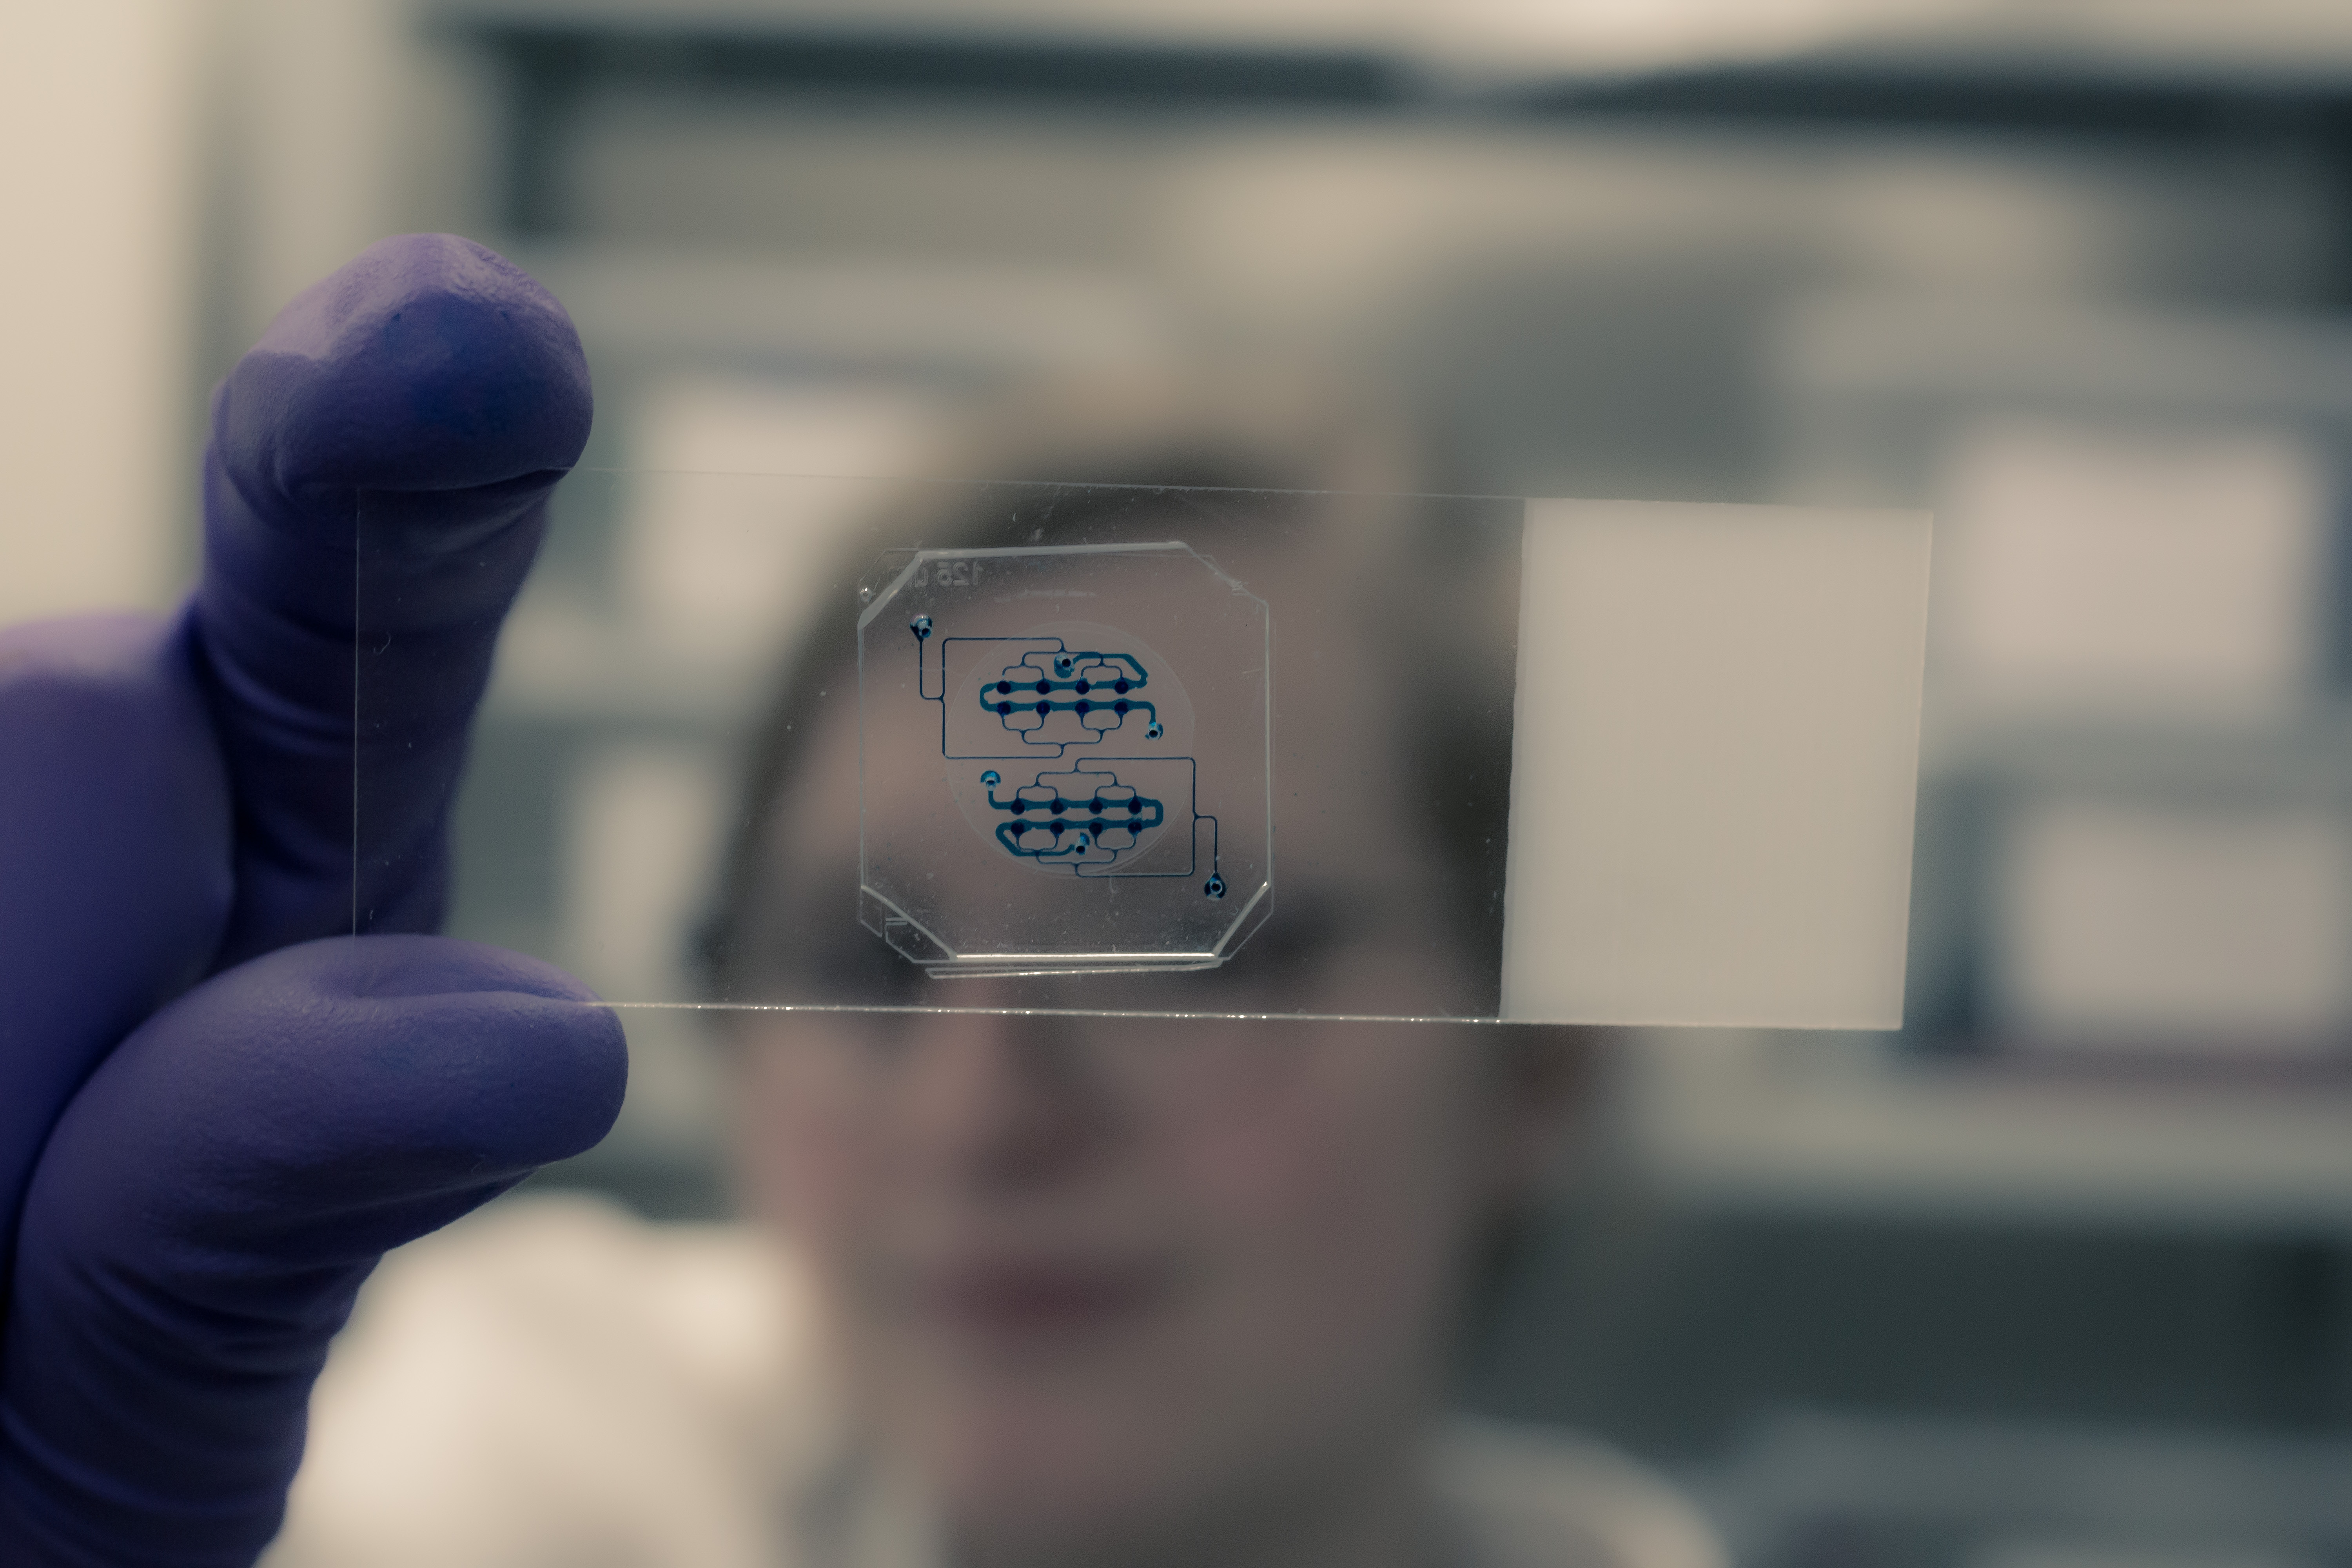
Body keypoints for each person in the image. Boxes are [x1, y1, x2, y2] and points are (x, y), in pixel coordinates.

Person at [0, 236, 1718, 1568]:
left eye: (1173, 949)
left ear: (1540, 1062)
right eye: (856, 961)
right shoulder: (557, 1444)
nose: (977, 1112)